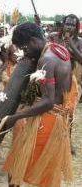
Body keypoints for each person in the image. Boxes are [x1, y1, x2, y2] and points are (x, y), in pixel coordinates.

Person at [3, 22, 73, 187]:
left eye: (25, 48)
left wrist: (16, 116)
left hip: (47, 121)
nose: (25, 53)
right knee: (45, 174)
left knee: (16, 165)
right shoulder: (55, 48)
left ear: (34, 41)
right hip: (58, 118)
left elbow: (48, 101)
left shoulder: (46, 59)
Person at [48, 14, 82, 154]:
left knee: (68, 111)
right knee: (51, 108)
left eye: (72, 25)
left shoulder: (79, 41)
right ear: (63, 24)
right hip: (52, 79)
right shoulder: (53, 37)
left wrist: (72, 46)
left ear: (76, 27)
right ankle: (49, 139)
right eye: (67, 24)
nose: (69, 27)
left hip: (69, 81)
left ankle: (67, 140)